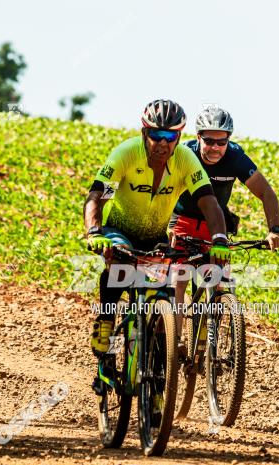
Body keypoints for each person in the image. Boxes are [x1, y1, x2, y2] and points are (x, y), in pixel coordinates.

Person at [83, 99, 230, 379]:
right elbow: (96, 196)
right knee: (118, 271)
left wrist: (220, 238)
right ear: (144, 133)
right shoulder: (126, 153)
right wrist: (94, 231)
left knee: (162, 297)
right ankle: (106, 333)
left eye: (170, 136)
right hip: (119, 232)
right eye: (156, 135)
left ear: (178, 137)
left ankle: (159, 378)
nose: (162, 143)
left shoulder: (186, 161)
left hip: (155, 239)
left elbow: (209, 202)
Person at [168, 106, 279, 248]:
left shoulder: (235, 158)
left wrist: (275, 230)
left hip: (216, 226)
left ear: (228, 139)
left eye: (222, 142)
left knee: (217, 269)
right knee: (177, 269)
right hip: (181, 221)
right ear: (198, 137)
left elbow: (266, 192)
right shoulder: (184, 155)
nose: (215, 147)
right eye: (209, 141)